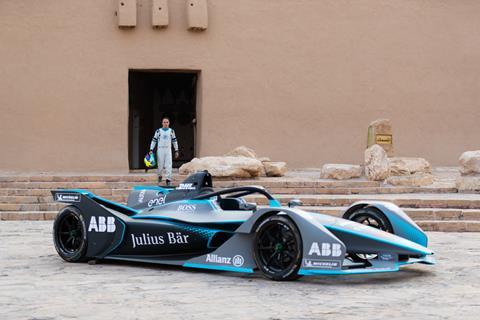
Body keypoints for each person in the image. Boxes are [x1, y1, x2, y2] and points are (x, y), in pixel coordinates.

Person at [149, 117, 179, 186]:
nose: (165, 123)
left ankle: (168, 179)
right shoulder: (158, 131)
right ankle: (160, 176)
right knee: (160, 165)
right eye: (164, 122)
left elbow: (174, 141)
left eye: (167, 122)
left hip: (168, 150)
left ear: (169, 123)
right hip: (160, 150)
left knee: (168, 165)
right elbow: (154, 140)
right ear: (162, 123)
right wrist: (151, 149)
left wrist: (176, 150)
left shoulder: (171, 131)